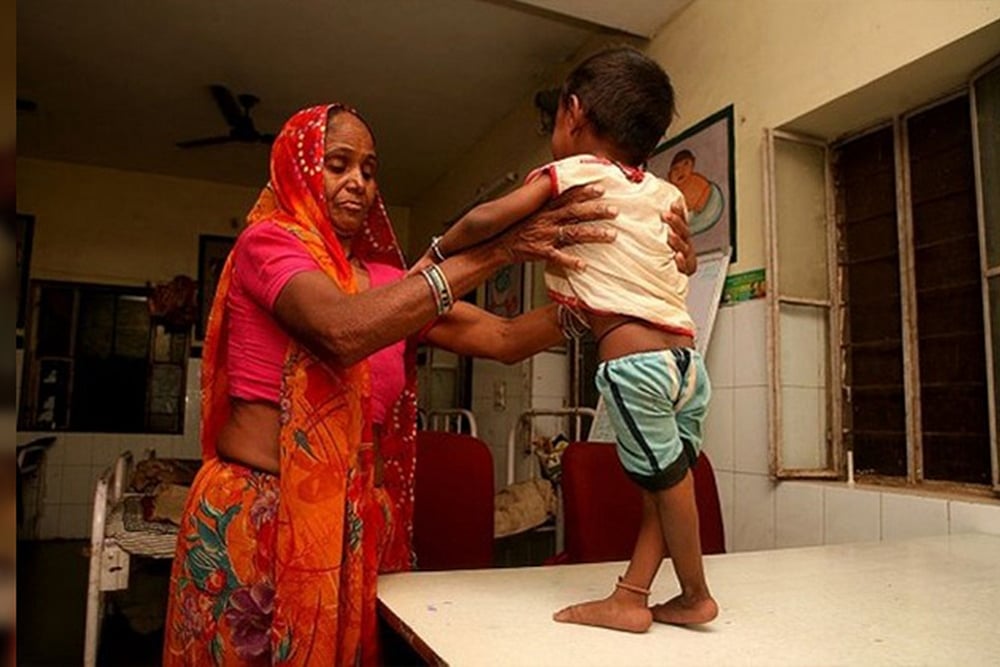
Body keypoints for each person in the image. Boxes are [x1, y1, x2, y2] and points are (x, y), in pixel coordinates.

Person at [162, 102, 695, 665]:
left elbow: (506, 337)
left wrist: (635, 287)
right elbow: (340, 331)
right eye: (338, 164)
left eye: (369, 170)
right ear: (297, 172)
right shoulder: (267, 243)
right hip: (258, 515)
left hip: (351, 522)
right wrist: (495, 251)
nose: (358, 182)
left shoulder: (392, 285)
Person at [426, 46, 717, 633]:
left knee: (666, 483)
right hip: (688, 365)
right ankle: (633, 595)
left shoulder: (575, 174)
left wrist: (442, 249)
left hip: (636, 367)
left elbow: (487, 219)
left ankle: (695, 594)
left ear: (574, 111)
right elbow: (674, 265)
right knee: (666, 482)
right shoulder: (664, 194)